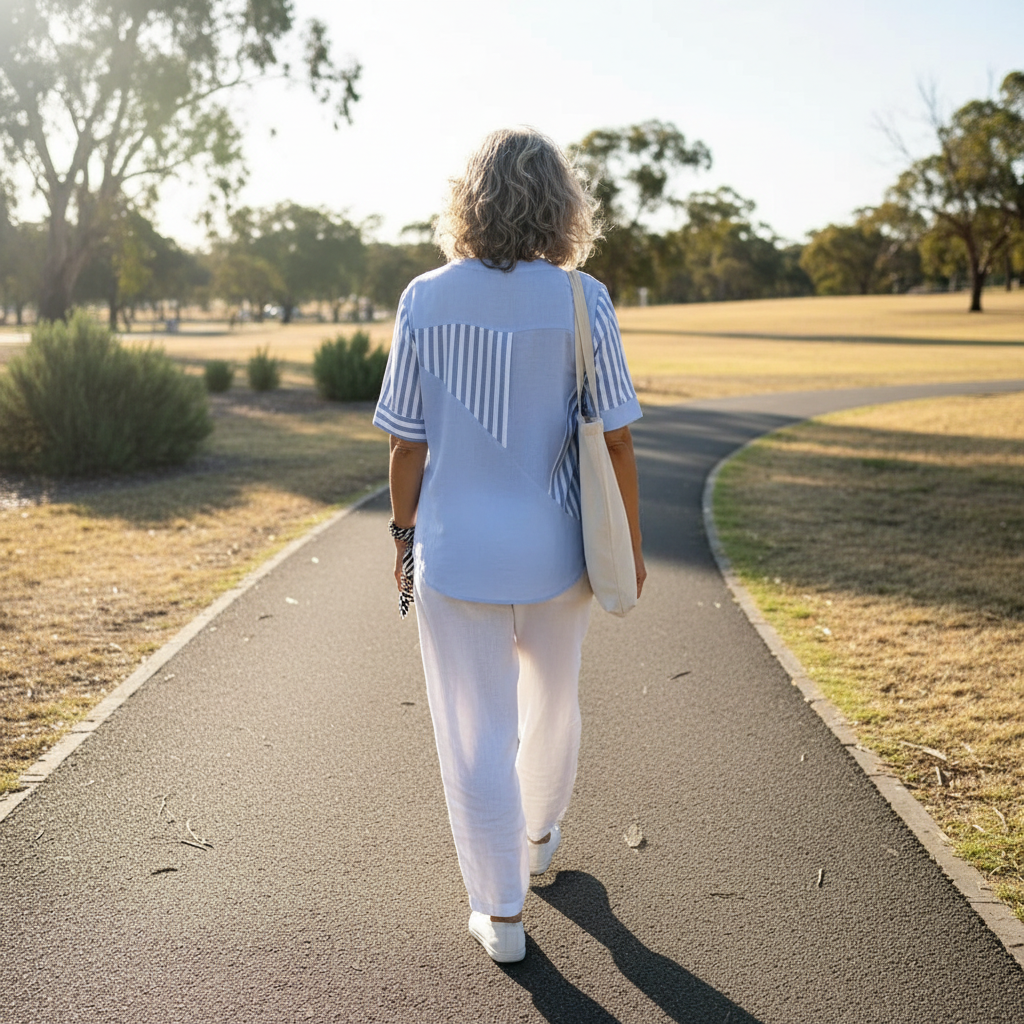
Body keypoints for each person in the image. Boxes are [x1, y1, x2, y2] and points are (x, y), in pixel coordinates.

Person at [373, 127, 646, 964]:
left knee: (473, 728)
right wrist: (630, 544)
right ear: (562, 205)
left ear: (471, 199)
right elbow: (621, 442)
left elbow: (407, 444)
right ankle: (537, 841)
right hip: (560, 552)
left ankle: (500, 914)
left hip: (457, 554)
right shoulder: (582, 298)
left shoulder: (423, 296)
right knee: (552, 701)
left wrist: (402, 536)